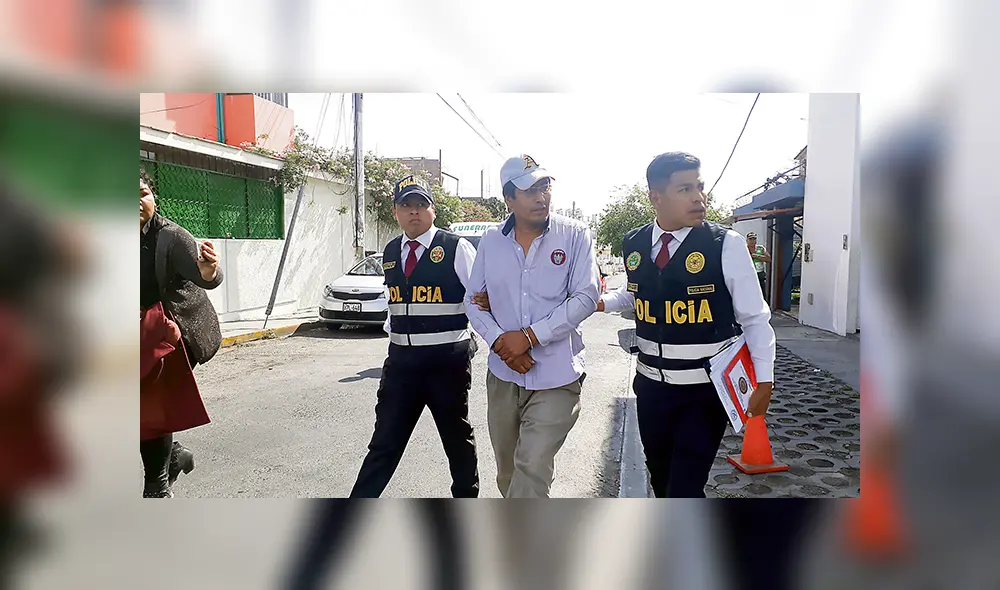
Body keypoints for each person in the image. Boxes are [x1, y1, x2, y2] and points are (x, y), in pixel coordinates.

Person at [597, 152, 776, 498]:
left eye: (699, 187)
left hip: (705, 394)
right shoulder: (634, 243)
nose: (698, 197)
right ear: (656, 197)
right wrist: (599, 301)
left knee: (684, 487)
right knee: (662, 482)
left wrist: (764, 379)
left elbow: (755, 317)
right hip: (650, 390)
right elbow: (637, 295)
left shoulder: (725, 245)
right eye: (684, 189)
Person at [465, 154, 600, 498]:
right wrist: (501, 344)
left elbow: (585, 296)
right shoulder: (492, 240)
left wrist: (528, 337)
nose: (541, 196)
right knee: (508, 472)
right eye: (529, 190)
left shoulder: (574, 235)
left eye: (545, 186)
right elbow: (472, 300)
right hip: (503, 378)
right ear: (509, 199)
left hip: (556, 377)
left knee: (533, 466)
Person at [349, 174, 479, 498]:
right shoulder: (391, 251)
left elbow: (482, 300)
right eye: (407, 205)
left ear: (433, 210)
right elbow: (395, 303)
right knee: (384, 444)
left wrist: (476, 342)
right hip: (402, 366)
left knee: (456, 440)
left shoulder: (455, 247)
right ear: (395, 211)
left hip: (446, 364)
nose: (414, 211)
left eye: (421, 204)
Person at [140, 169, 223, 498]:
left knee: (150, 407)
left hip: (166, 332)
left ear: (153, 197)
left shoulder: (170, 236)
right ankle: (173, 456)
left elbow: (205, 276)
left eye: (143, 193)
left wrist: (209, 269)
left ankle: (157, 485)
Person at [746, 231, 771, 298]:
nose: (752, 241)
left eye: (754, 239)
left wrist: (756, 256)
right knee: (749, 292)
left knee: (762, 292)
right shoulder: (744, 249)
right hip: (748, 274)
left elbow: (768, 259)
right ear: (747, 240)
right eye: (750, 239)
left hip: (760, 273)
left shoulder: (760, 248)